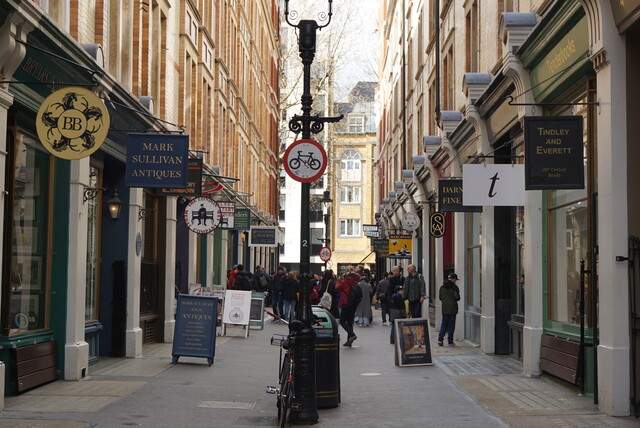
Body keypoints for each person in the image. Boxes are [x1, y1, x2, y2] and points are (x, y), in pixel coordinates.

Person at [335, 267, 360, 346]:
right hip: (354, 303)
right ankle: (349, 341)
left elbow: (337, 288)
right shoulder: (356, 280)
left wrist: (339, 281)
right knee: (350, 322)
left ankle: (352, 335)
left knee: (342, 321)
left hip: (346, 302)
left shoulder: (344, 282)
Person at [438, 273, 461, 346]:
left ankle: (440, 339)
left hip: (444, 308)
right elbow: (457, 297)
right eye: (455, 280)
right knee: (451, 325)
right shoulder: (454, 287)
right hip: (452, 308)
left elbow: (440, 297)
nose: (455, 281)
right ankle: (450, 341)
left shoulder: (442, 287)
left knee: (444, 324)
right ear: (453, 279)